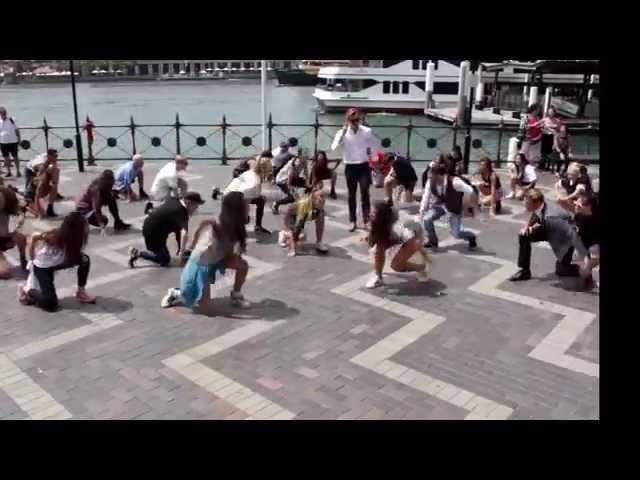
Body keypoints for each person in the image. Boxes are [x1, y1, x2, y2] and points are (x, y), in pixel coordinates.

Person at [161, 191, 252, 311]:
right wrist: (189, 249)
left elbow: (230, 248)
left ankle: (236, 296)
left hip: (218, 257)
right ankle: (176, 293)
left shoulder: (237, 222)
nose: (249, 207)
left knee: (242, 265)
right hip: (201, 263)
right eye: (245, 205)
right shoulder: (217, 226)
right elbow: (201, 238)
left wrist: (234, 257)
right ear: (236, 209)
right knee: (204, 307)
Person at [17, 211, 96, 311]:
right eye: (85, 225)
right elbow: (35, 237)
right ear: (75, 228)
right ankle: (26, 290)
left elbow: (73, 255)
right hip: (43, 267)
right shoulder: (54, 236)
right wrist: (32, 257)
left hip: (56, 263)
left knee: (84, 260)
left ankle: (81, 292)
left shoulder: (75, 238)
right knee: (50, 303)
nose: (87, 227)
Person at [509, 189, 582, 282]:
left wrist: (535, 228)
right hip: (550, 229)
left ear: (537, 203)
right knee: (524, 235)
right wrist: (527, 227)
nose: (524, 204)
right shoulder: (541, 204)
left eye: (527, 202)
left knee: (562, 269)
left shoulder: (550, 216)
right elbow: (534, 213)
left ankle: (584, 268)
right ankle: (525, 271)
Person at [364, 200, 432, 289]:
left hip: (413, 236)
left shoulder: (397, 225)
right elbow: (373, 242)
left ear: (382, 216)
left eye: (374, 213)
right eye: (371, 212)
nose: (370, 214)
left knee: (396, 265)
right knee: (379, 249)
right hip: (398, 237)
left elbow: (412, 239)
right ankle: (378, 277)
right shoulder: (377, 223)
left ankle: (421, 268)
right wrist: (370, 235)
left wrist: (423, 253)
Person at [129, 192, 205, 269]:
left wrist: (179, 248)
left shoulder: (175, 200)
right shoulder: (181, 212)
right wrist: (181, 255)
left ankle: (158, 250)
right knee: (165, 260)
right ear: (188, 203)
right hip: (152, 233)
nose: (197, 208)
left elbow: (178, 230)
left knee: (174, 230)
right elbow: (184, 234)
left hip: (156, 228)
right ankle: (138, 253)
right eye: (196, 205)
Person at [331, 108, 377, 232]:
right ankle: (353, 221)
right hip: (350, 166)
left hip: (364, 166)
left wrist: (374, 161)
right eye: (353, 120)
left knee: (364, 192)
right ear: (348, 120)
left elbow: (372, 146)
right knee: (351, 195)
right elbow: (334, 147)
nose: (356, 122)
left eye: (357, 119)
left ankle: (366, 220)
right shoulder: (342, 132)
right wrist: (343, 132)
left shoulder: (367, 131)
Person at [419, 164, 478, 250]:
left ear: (439, 175)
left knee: (456, 234)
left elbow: (471, 191)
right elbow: (426, 196)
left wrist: (467, 206)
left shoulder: (455, 182)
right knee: (427, 219)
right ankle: (433, 241)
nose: (431, 179)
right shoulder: (430, 181)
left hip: (453, 207)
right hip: (440, 205)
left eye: (433, 177)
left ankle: (471, 237)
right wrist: (422, 210)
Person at [222, 151, 272, 235]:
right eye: (269, 171)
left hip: (232, 195)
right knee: (244, 219)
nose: (269, 174)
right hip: (232, 199)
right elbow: (245, 201)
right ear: (264, 170)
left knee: (261, 200)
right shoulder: (254, 181)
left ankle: (257, 226)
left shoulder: (252, 173)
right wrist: (244, 217)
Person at [278, 187, 328, 256]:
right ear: (313, 199)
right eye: (320, 198)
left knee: (321, 215)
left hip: (303, 217)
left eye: (324, 198)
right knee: (302, 236)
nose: (323, 200)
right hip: (291, 217)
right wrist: (292, 249)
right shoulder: (303, 206)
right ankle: (284, 234)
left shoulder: (319, 206)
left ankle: (319, 242)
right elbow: (298, 227)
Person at [573, 192, 599, 290]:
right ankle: (588, 278)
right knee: (582, 269)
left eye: (579, 205)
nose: (576, 206)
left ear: (588, 207)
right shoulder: (579, 215)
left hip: (596, 239)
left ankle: (588, 271)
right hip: (583, 239)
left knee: (595, 256)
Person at [0, 186, 27, 278]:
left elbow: (20, 211)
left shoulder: (8, 196)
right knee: (5, 273)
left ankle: (23, 260)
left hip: (6, 237)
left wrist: (21, 218)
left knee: (22, 238)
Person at [29, 151, 61, 218]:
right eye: (55, 156)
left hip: (43, 174)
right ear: (49, 156)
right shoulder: (42, 162)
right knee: (32, 196)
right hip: (30, 171)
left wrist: (54, 184)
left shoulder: (53, 162)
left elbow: (54, 171)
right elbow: (38, 173)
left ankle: (50, 208)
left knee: (54, 186)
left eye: (57, 156)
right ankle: (32, 205)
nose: (57, 158)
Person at [0, 106, 21, 178]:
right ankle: (9, 171)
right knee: (6, 157)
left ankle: (18, 171)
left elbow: (17, 130)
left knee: (15, 157)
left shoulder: (12, 119)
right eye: (2, 113)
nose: (4, 114)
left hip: (13, 141)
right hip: (3, 142)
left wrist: (19, 139)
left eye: (4, 113)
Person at [540, 106, 562, 171]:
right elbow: (539, 126)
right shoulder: (544, 119)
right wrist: (543, 128)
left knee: (550, 152)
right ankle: (542, 165)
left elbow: (559, 129)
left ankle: (549, 165)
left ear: (554, 113)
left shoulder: (557, 120)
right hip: (545, 136)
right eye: (549, 112)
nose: (550, 113)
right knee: (543, 152)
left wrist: (553, 129)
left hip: (552, 137)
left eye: (552, 112)